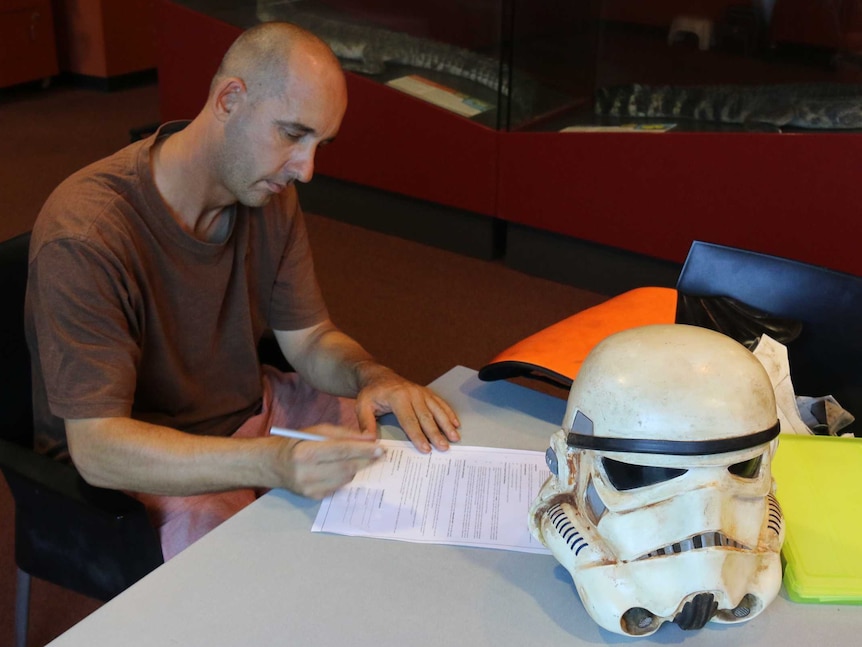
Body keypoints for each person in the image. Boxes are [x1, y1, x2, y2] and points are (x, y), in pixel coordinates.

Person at [24, 21, 461, 559]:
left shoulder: (266, 190)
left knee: (404, 446)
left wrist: (375, 377)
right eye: (293, 134)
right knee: (247, 568)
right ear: (230, 99)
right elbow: (96, 448)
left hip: (253, 407)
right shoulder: (87, 234)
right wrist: (269, 463)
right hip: (142, 455)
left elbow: (311, 338)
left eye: (320, 143)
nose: (306, 169)